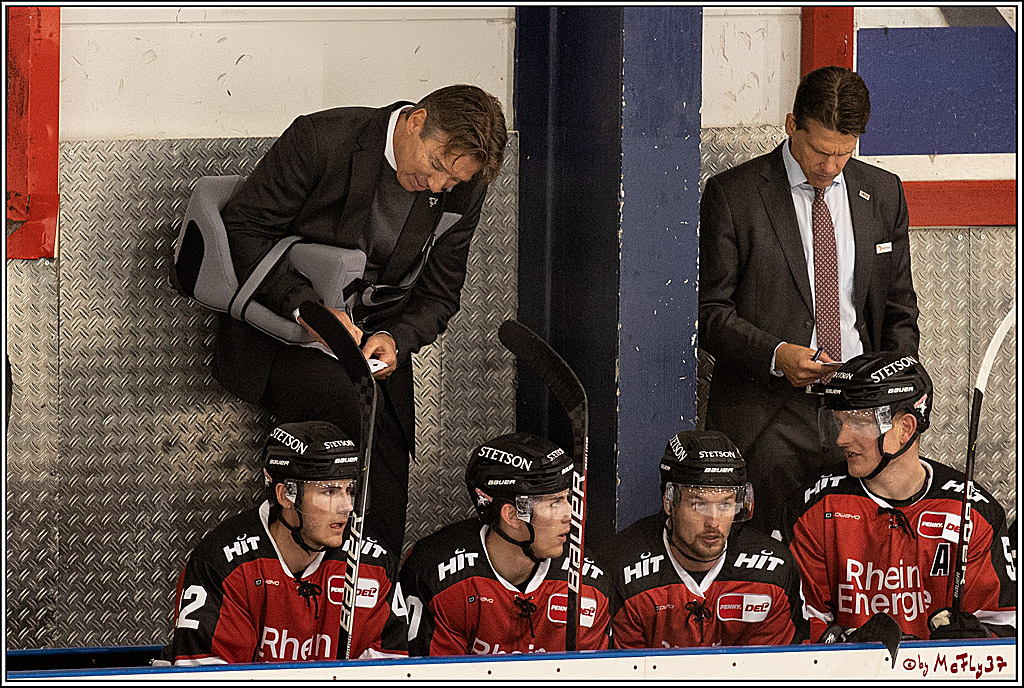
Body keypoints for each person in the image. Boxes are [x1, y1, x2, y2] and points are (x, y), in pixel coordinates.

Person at [212, 85, 508, 554]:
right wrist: (308, 309)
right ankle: (318, 584)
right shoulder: (321, 139)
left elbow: (440, 296)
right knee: (350, 416)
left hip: (370, 348)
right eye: (435, 166)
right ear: (416, 121)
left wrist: (396, 337)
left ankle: (372, 597)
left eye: (451, 182)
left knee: (387, 473)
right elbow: (243, 229)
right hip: (283, 335)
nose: (437, 187)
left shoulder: (463, 187)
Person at [698, 65, 920, 539]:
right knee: (769, 556)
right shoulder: (734, 194)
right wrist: (777, 355)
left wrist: (898, 392)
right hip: (769, 416)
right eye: (820, 150)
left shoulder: (882, 193)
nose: (830, 166)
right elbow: (710, 314)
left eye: (845, 152)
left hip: (862, 414)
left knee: (858, 553)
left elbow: (899, 306)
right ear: (791, 124)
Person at [787, 352, 1016, 641]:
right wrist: (845, 645)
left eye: (858, 423)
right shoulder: (814, 509)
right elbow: (798, 632)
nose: (841, 439)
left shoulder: (974, 513)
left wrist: (981, 636)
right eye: (839, 421)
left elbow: (1006, 626)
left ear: (905, 428)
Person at [161, 421, 407, 664]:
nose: (347, 507)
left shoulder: (375, 563)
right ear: (285, 495)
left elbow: (391, 671)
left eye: (350, 490)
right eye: (329, 491)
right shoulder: (223, 565)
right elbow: (207, 680)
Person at [399, 432, 611, 655]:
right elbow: (430, 678)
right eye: (554, 503)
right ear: (511, 515)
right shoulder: (437, 576)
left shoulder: (588, 582)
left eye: (567, 498)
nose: (571, 514)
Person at [608, 430, 806, 649]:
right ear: (669, 502)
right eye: (698, 504)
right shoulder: (622, 568)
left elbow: (778, 670)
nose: (713, 521)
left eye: (725, 504)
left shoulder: (774, 572)